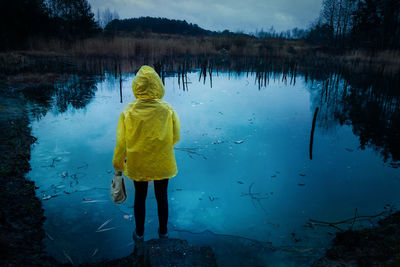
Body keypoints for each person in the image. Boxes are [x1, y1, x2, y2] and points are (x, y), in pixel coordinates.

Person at [112, 65, 180, 241]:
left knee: (140, 197)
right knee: (162, 196)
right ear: (158, 84)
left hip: (138, 162)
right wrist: (161, 146)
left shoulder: (128, 111)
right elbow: (176, 137)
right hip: (162, 161)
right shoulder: (167, 109)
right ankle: (163, 233)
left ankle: (140, 234)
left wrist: (118, 166)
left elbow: (121, 143)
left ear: (136, 86)